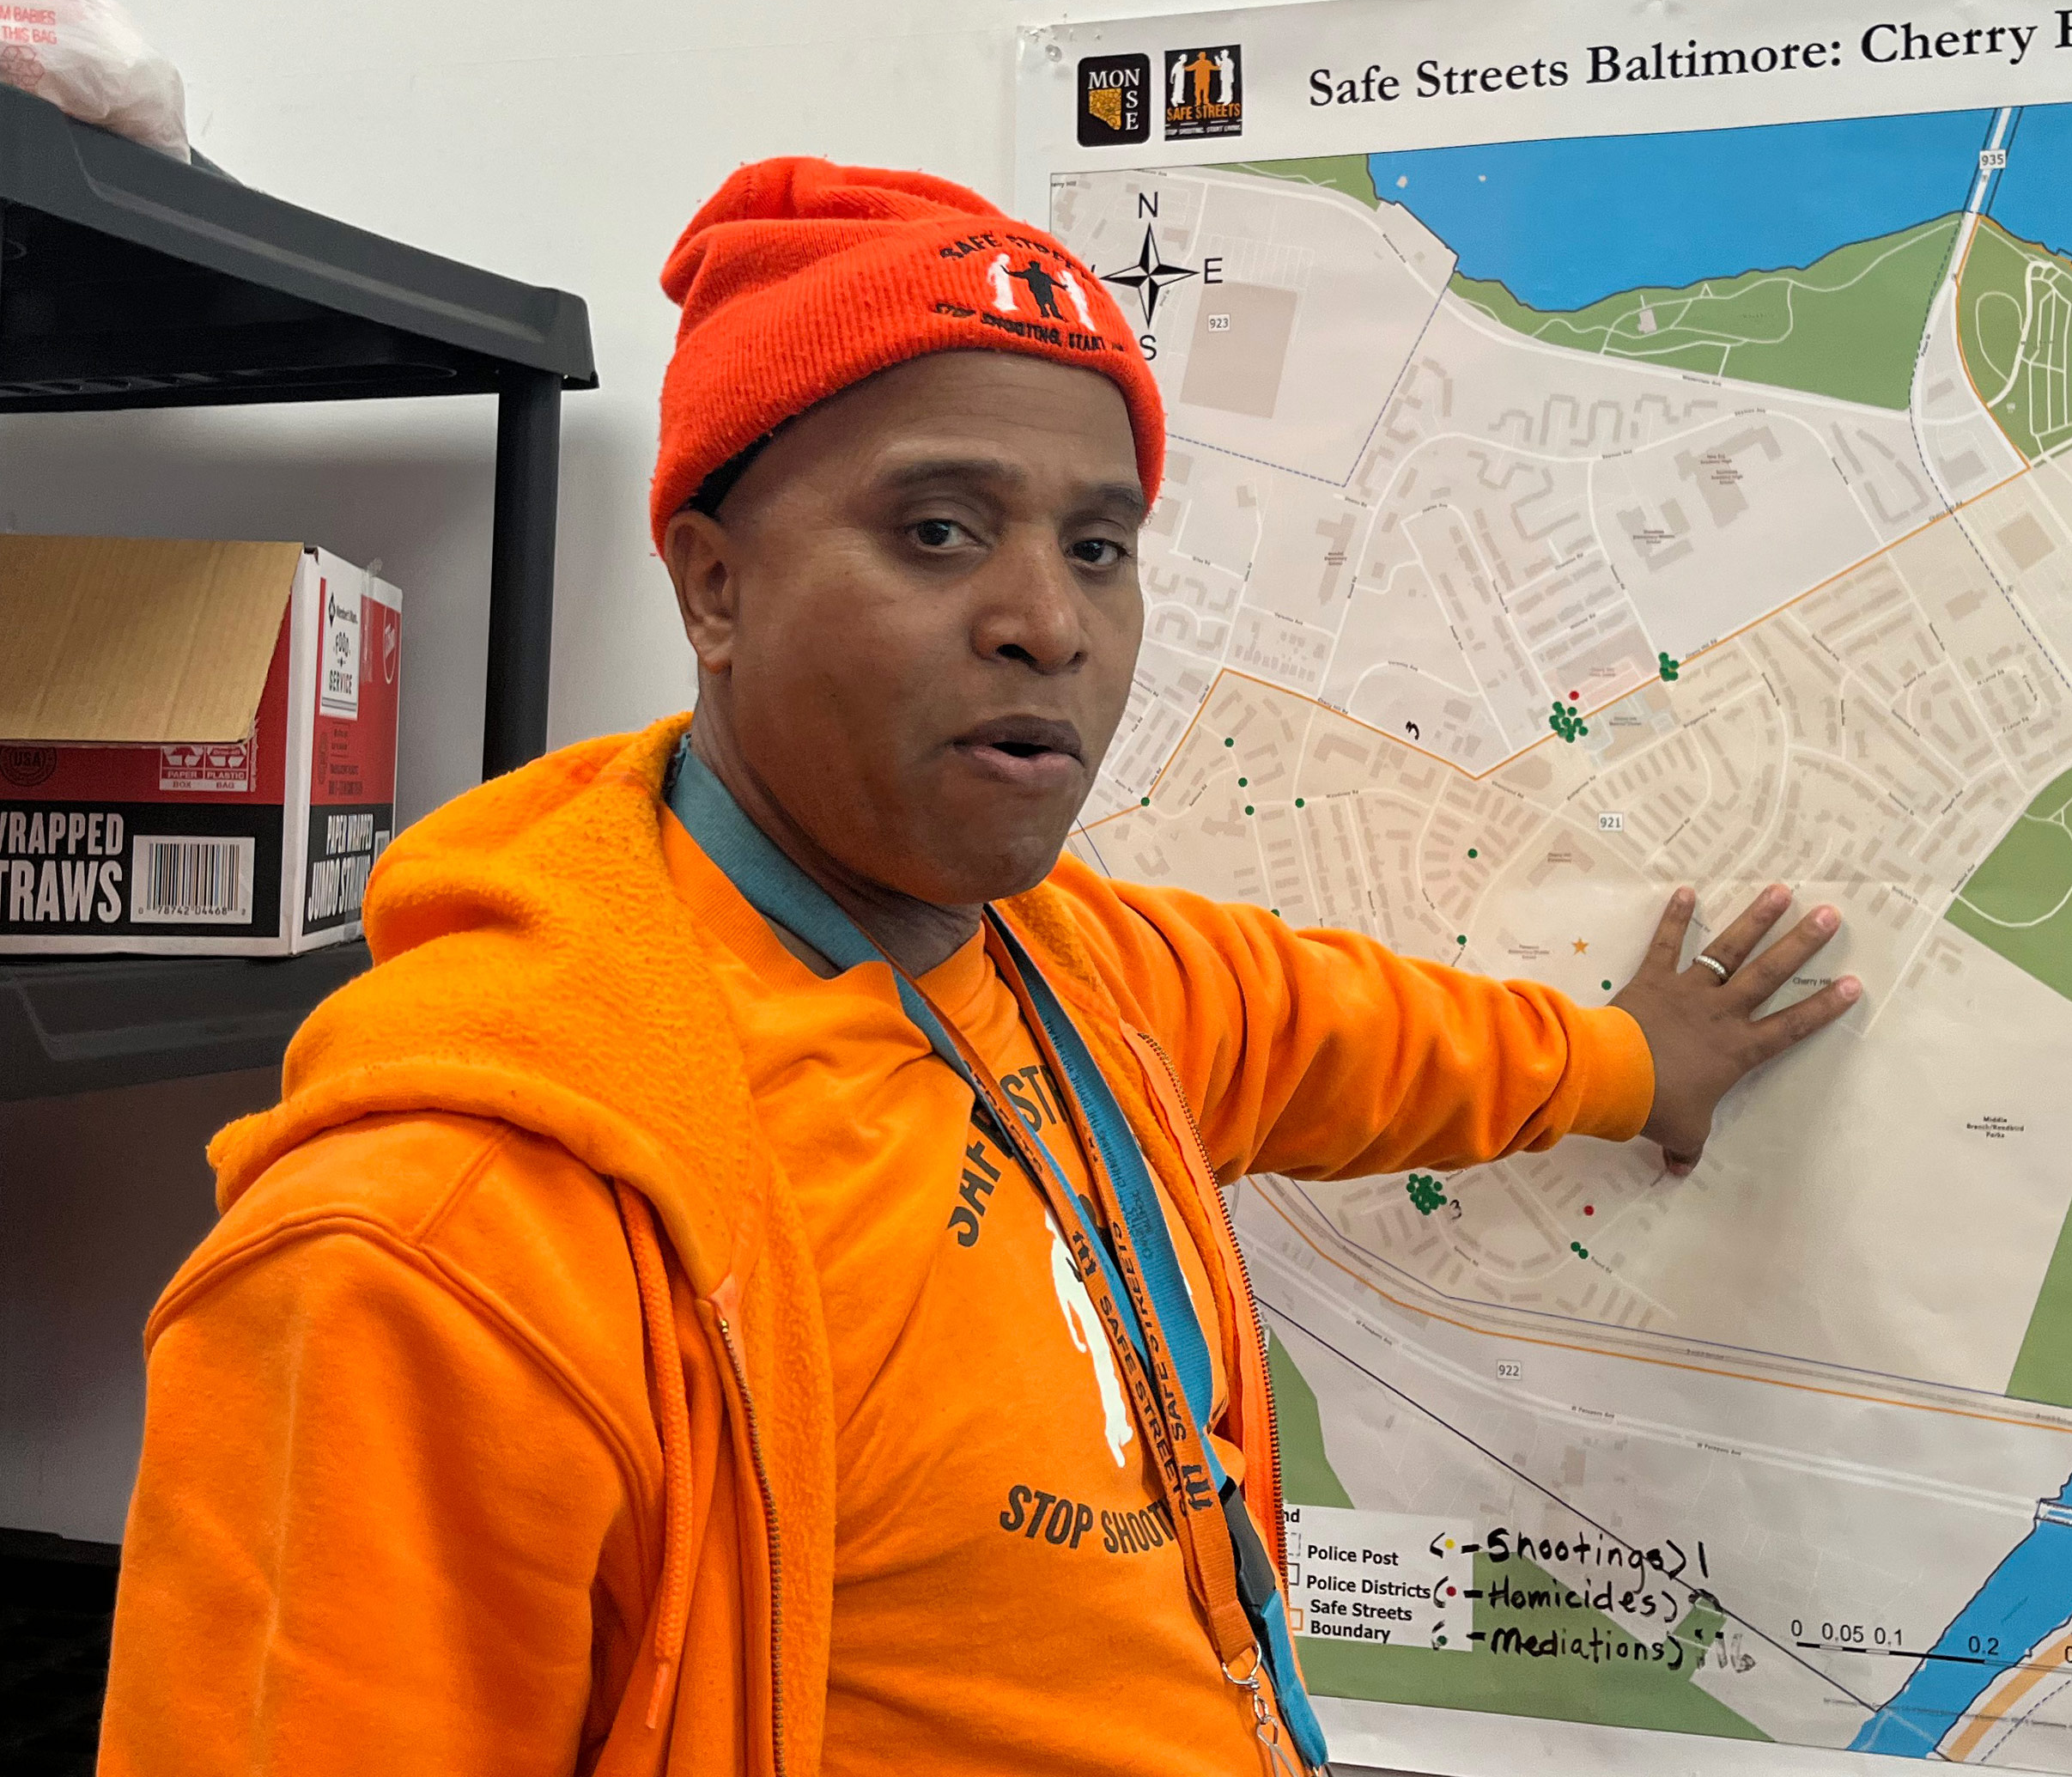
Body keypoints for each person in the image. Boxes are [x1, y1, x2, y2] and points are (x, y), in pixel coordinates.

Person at [93, 160, 1863, 1777]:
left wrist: (1641, 1063)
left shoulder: (1075, 976)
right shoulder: (451, 1232)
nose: (1051, 618)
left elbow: (1354, 1038)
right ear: (713, 585)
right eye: (939, 531)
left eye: (1099, 546)